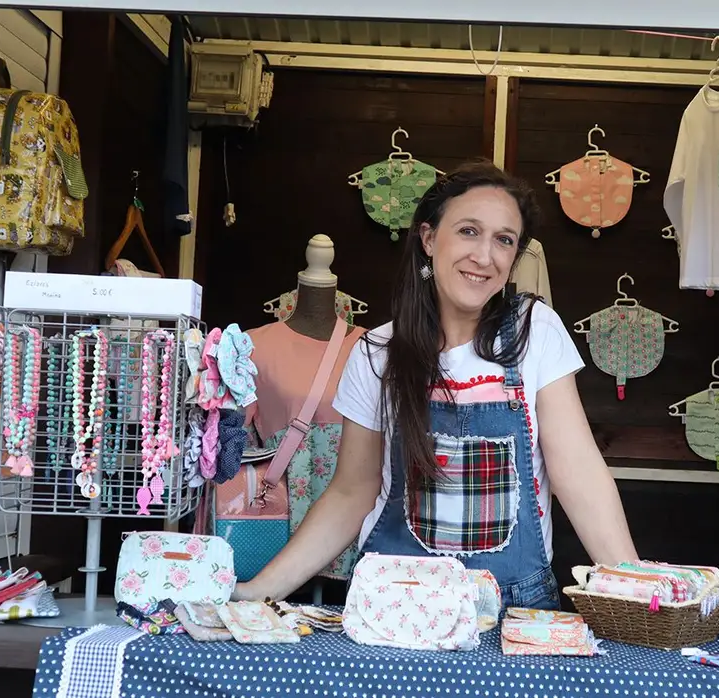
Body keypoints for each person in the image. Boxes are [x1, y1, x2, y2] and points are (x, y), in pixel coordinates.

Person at [234, 160, 638, 609]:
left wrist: (635, 591)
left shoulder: (534, 330)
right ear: (429, 238)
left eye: (504, 240)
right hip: (395, 604)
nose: (485, 256)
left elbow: (578, 473)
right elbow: (351, 492)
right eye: (469, 231)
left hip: (512, 609)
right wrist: (258, 591)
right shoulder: (376, 353)